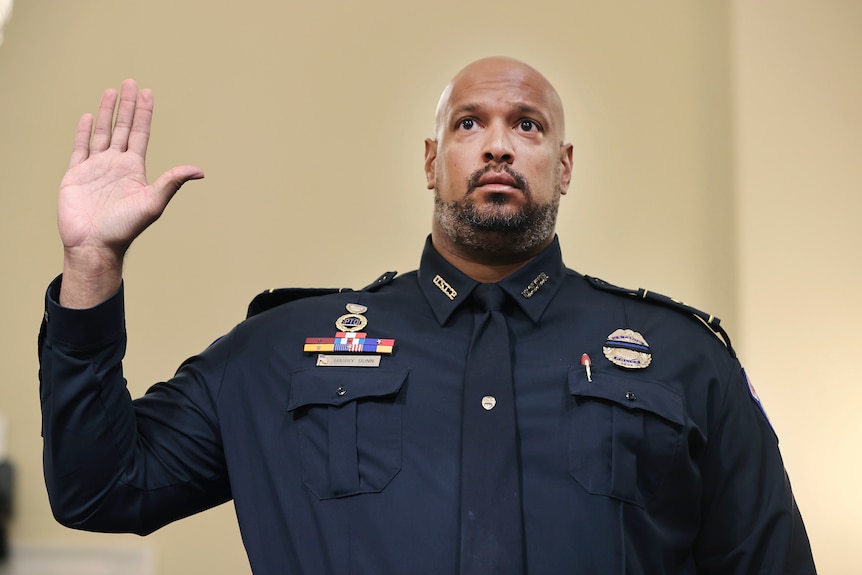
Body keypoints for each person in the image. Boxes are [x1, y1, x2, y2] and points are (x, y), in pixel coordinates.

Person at [38, 57, 816, 574]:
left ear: (565, 166)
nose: (499, 146)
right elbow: (101, 487)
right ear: (429, 159)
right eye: (469, 123)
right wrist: (92, 265)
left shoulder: (682, 359)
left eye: (530, 125)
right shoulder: (280, 353)